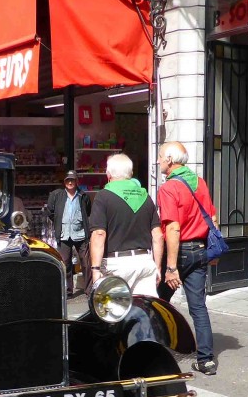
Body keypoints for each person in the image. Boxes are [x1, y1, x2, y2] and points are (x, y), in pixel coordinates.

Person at [156, 141, 219, 376]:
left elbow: (173, 228)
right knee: (198, 307)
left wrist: (171, 267)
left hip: (179, 251)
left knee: (158, 302)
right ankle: (206, 360)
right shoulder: (199, 182)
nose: (159, 160)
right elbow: (213, 217)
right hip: (200, 248)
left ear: (170, 161)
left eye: (161, 156)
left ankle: (153, 350)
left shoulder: (169, 188)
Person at [87, 153, 163, 297]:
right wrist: (157, 266)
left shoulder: (103, 196)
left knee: (114, 314)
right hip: (144, 262)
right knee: (144, 313)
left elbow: (99, 234)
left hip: (115, 265)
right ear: (131, 173)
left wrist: (95, 269)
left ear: (108, 174)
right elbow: (158, 236)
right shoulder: (145, 197)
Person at [45, 171, 92, 296]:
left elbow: (87, 211)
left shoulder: (83, 196)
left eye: (72, 180)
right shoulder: (57, 195)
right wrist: (58, 221)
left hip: (80, 233)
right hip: (64, 233)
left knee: (86, 263)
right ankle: (68, 290)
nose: (70, 183)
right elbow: (50, 211)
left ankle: (89, 290)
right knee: (65, 263)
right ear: (64, 182)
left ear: (77, 182)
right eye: (67, 180)